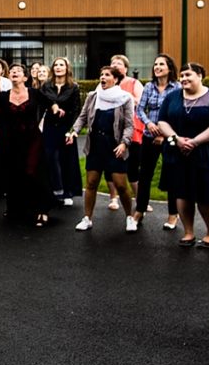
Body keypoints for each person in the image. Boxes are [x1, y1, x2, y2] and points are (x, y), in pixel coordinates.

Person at [158, 62, 209, 248]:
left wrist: (195, 141)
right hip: (178, 153)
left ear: (200, 76)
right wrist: (177, 139)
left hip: (206, 154)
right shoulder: (172, 97)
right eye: (181, 76)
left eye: (188, 75)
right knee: (182, 194)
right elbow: (162, 121)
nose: (184, 79)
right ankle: (188, 232)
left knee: (206, 196)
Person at [0, 64, 56, 226]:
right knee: (14, 173)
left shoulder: (34, 93)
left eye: (18, 71)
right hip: (12, 141)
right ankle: (16, 208)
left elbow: (50, 102)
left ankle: (42, 210)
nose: (14, 72)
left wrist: (56, 108)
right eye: (12, 71)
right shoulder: (2, 96)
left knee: (34, 171)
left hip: (33, 139)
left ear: (25, 77)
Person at [66, 65, 135, 232]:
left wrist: (124, 143)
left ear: (116, 79)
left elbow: (129, 125)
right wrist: (74, 131)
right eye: (101, 75)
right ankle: (87, 218)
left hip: (115, 145)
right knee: (91, 183)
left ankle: (130, 217)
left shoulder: (125, 98)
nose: (102, 78)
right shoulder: (93, 96)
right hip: (95, 144)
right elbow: (82, 117)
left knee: (121, 185)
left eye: (107, 75)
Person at [132, 53, 181, 230]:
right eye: (155, 64)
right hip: (149, 137)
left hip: (169, 139)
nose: (157, 67)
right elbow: (140, 110)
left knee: (171, 176)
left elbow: (178, 113)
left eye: (161, 64)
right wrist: (149, 123)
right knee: (145, 174)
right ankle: (139, 210)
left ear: (169, 68)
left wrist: (165, 134)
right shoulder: (148, 87)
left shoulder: (177, 88)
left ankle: (173, 214)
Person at [40, 57, 81, 206]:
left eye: (61, 65)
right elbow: (40, 103)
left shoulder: (73, 87)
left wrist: (72, 131)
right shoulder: (46, 86)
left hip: (66, 128)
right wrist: (52, 106)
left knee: (66, 159)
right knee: (51, 158)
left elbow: (77, 111)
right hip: (50, 127)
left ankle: (68, 192)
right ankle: (55, 190)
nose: (58, 67)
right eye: (56, 65)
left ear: (67, 68)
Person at [111, 55, 145, 212]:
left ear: (125, 68)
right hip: (112, 128)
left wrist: (122, 94)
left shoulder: (134, 83)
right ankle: (113, 198)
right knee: (112, 164)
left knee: (133, 166)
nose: (116, 65)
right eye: (113, 63)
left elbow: (141, 101)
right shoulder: (106, 82)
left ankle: (140, 201)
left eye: (119, 63)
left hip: (133, 128)